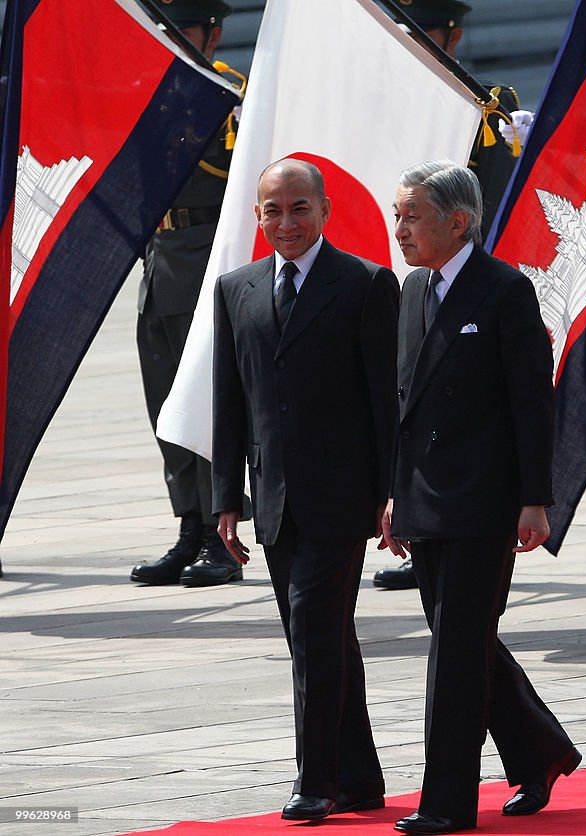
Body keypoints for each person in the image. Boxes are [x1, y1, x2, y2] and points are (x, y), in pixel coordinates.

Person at [384, 161, 580, 835]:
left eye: (412, 215)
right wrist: (392, 492)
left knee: (457, 651)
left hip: (486, 500)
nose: (400, 227)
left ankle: (445, 801)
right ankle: (539, 751)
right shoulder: (411, 290)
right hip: (424, 496)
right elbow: (402, 403)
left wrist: (535, 498)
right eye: (398, 213)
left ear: (457, 222)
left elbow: (532, 402)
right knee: (461, 637)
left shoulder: (503, 291)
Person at [212, 159, 397, 821]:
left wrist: (391, 490)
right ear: (257, 216)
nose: (286, 223)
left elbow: (386, 400)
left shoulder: (366, 284)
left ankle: (314, 781)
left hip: (343, 497)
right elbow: (229, 400)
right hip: (274, 499)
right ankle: (361, 776)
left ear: (324, 210)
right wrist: (225, 498)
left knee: (317, 631)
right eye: (273, 211)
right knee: (320, 638)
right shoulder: (235, 289)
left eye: (298, 209)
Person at [374, 0, 526, 592]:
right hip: (430, 280)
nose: (414, 44)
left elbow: (493, 198)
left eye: (426, 33)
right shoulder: (390, 105)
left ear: (453, 34)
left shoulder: (486, 108)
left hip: (476, 287)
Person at [131, 0, 245, 588]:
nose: (172, 38)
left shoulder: (226, 96)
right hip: (158, 263)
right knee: (165, 408)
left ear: (214, 33)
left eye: (184, 29)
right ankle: (188, 528)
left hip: (203, 258)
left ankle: (220, 539)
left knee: (205, 405)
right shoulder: (146, 89)